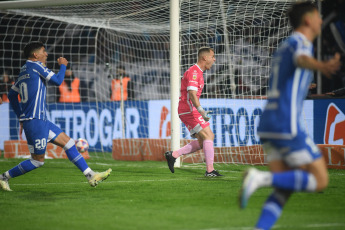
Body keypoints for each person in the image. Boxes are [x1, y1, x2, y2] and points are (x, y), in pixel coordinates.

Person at [239, 2, 341, 230]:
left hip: (269, 122)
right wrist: (321, 65)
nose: (321, 21)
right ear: (308, 20)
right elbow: (302, 59)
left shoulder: (283, 46)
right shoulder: (299, 42)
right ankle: (259, 178)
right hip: (286, 122)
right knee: (321, 180)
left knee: (285, 188)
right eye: (318, 17)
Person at [0, 41, 112, 191]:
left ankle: (90, 175)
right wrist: (63, 65)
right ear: (35, 55)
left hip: (39, 120)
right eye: (43, 51)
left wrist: (21, 116)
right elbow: (59, 81)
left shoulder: (23, 70)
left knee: (69, 143)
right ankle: (3, 177)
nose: (46, 54)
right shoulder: (37, 66)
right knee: (37, 161)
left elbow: (12, 95)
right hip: (36, 122)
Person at [165, 47, 223, 177]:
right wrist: (201, 111)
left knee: (205, 140)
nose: (214, 59)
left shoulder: (199, 73)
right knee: (208, 136)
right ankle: (209, 171)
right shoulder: (194, 72)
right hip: (188, 110)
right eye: (212, 56)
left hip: (189, 110)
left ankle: (173, 155)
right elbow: (191, 94)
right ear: (205, 57)